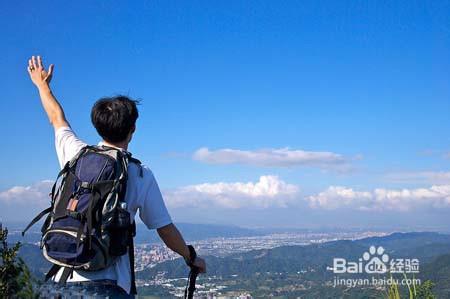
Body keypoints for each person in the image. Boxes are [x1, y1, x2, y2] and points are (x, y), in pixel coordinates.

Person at [27, 55, 206, 298]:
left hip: (62, 281)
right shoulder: (139, 173)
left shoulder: (76, 154)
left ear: (97, 125)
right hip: (110, 286)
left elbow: (56, 118)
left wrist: (42, 85)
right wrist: (191, 257)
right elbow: (165, 229)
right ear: (133, 130)